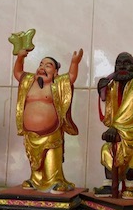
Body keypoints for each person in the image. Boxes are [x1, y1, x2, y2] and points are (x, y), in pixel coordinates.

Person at [14, 48, 83, 194]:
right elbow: (18, 73)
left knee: (51, 161)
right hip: (31, 135)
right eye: (41, 64)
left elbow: (71, 77)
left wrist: (74, 63)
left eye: (48, 65)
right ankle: (35, 180)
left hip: (51, 133)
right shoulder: (28, 81)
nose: (42, 68)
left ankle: (55, 180)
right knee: (35, 163)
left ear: (56, 72)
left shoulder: (58, 83)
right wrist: (20, 58)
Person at [94, 52, 133, 200]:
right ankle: (108, 185)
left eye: (126, 63)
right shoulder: (116, 83)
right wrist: (103, 90)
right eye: (119, 64)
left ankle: (130, 186)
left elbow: (131, 107)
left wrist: (115, 127)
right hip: (119, 129)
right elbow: (111, 106)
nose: (122, 67)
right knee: (107, 150)